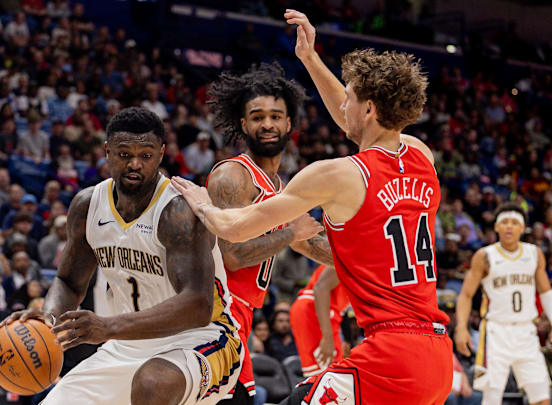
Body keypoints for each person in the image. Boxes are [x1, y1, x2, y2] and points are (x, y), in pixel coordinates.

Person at [171, 11, 452, 404]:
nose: (343, 107)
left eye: (351, 98)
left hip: (390, 355)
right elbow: (357, 121)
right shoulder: (422, 157)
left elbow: (234, 230)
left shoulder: (337, 175)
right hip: (437, 356)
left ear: (368, 108)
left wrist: (205, 207)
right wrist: (310, 58)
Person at [1, 107, 242, 404]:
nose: (135, 164)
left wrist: (106, 327)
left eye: (146, 155)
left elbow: (198, 305)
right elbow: (68, 281)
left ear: (162, 153)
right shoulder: (87, 206)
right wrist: (48, 319)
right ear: (107, 151)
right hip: (126, 346)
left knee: (153, 383)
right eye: (125, 154)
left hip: (202, 340)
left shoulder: (178, 211)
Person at [204, 62, 333, 404]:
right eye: (258, 116)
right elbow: (231, 256)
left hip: (241, 315)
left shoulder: (280, 189)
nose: (268, 124)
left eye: (276, 116)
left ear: (289, 123)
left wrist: (364, 261)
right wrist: (289, 234)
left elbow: (309, 242)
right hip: (213, 314)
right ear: (244, 124)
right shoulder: (234, 177)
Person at [455, 203, 552, 405]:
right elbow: (465, 295)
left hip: (527, 332)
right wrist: (461, 328)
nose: (509, 227)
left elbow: (546, 292)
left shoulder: (534, 254)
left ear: (522, 228)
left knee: (541, 397)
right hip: (495, 333)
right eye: (504, 222)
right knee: (492, 398)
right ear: (496, 227)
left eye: (514, 223)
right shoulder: (485, 256)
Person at [289, 265, 349, 377]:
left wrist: (347, 340)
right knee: (328, 377)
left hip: (324, 313)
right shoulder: (352, 253)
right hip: (314, 309)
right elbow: (320, 288)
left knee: (329, 376)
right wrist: (327, 337)